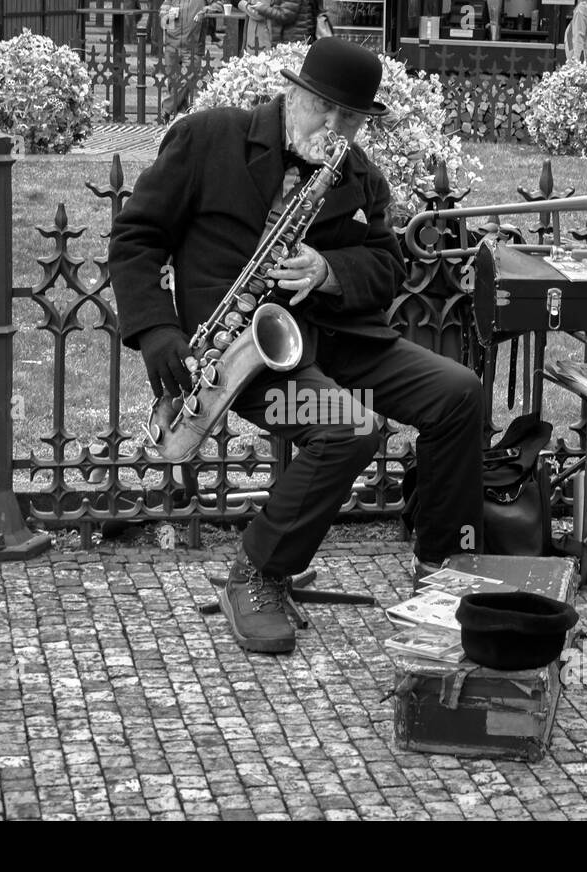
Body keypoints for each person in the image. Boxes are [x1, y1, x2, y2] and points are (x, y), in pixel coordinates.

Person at [110, 38, 485, 655]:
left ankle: (442, 570)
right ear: (294, 92)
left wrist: (328, 270)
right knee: (349, 426)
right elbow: (136, 236)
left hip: (342, 340)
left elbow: (388, 267)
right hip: (245, 363)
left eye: (353, 118)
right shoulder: (206, 138)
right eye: (324, 109)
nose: (336, 128)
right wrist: (155, 330)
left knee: (459, 394)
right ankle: (257, 571)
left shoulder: (357, 171)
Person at [159, 0, 212, 123]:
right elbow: (162, 15)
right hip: (172, 44)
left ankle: (167, 108)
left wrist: (206, 11)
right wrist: (167, 17)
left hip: (193, 46)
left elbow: (219, 4)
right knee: (173, 82)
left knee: (188, 78)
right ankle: (181, 117)